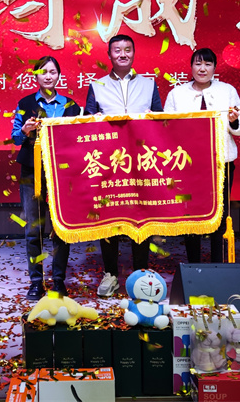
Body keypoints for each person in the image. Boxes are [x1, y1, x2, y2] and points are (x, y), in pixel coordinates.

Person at [84, 34, 163, 297]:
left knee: (142, 216)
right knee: (109, 219)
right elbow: (87, 123)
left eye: (127, 50)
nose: (122, 54)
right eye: (117, 50)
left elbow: (161, 123)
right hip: (109, 164)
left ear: (134, 54)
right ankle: (110, 274)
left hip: (141, 162)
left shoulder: (149, 85)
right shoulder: (97, 85)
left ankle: (140, 274)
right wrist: (95, 120)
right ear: (109, 55)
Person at [163, 47, 240, 263]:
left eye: (208, 64)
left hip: (221, 163)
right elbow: (166, 129)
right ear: (191, 67)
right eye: (198, 63)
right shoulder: (176, 94)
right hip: (188, 166)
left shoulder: (227, 91)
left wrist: (233, 121)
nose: (202, 68)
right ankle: (193, 264)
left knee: (220, 215)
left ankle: (218, 263)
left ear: (214, 68)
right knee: (191, 214)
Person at [12, 56, 82, 300]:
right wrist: (25, 130)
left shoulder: (71, 106)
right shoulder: (25, 103)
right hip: (32, 172)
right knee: (34, 229)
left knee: (61, 228)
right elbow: (15, 138)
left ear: (59, 75)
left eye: (52, 72)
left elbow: (80, 139)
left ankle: (59, 281)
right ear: (36, 76)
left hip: (62, 173)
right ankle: (36, 282)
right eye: (43, 72)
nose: (48, 76)